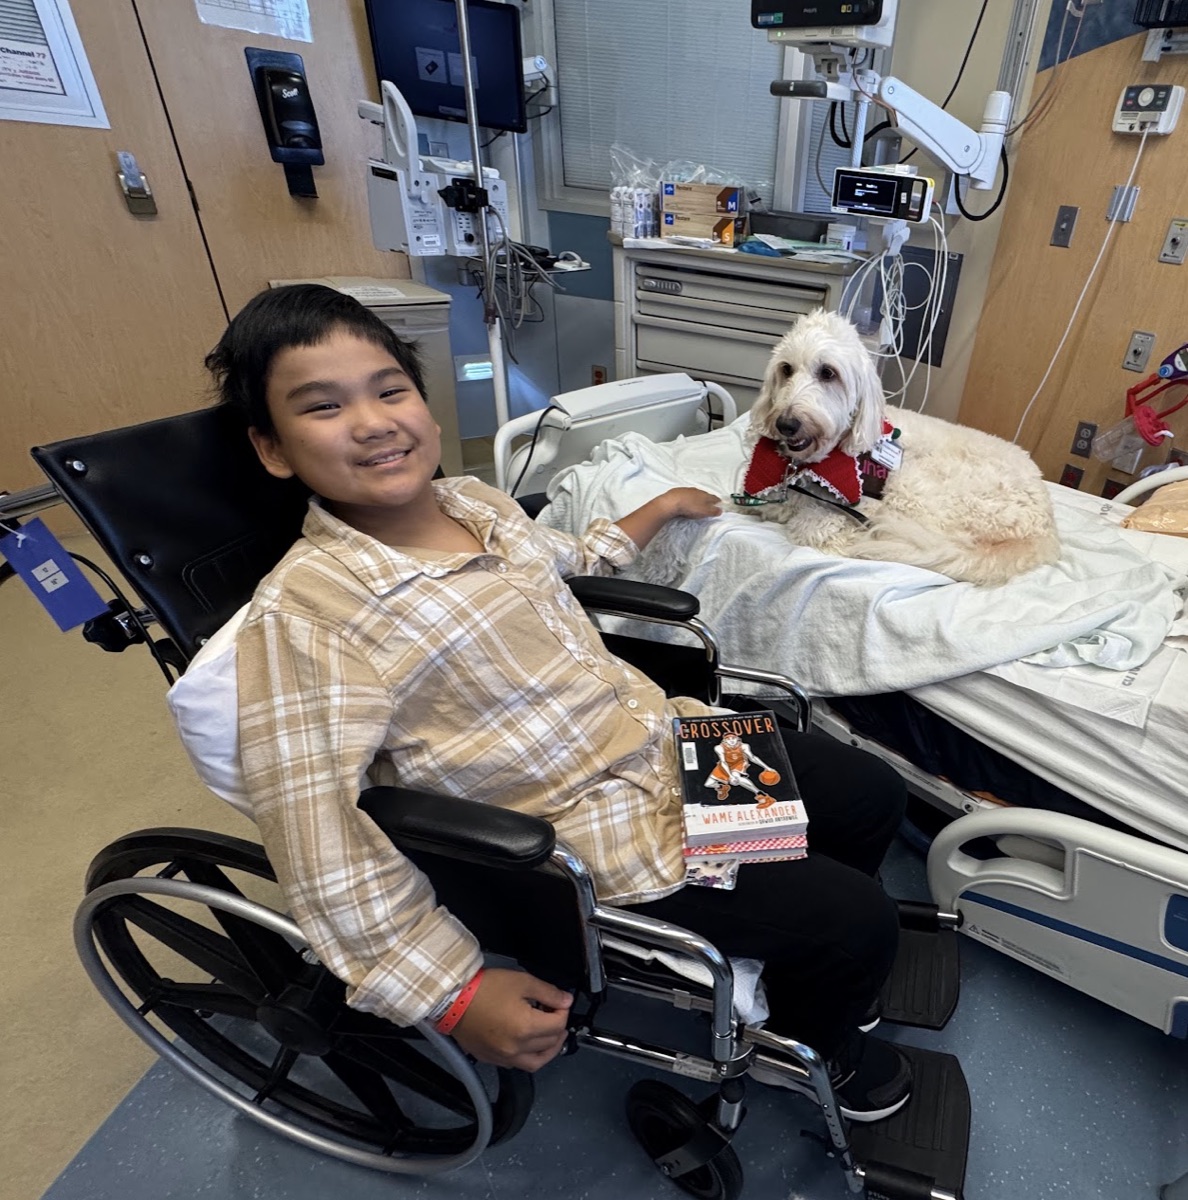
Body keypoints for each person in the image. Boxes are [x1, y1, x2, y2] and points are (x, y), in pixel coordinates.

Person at [207, 283, 910, 1123]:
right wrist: (453, 993)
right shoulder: (315, 611)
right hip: (585, 832)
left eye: (389, 389)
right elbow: (315, 834)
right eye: (323, 406)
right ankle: (808, 1051)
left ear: (424, 407)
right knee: (854, 921)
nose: (372, 421)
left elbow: (569, 556)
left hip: (660, 744)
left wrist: (662, 508)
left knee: (870, 798)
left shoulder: (477, 505)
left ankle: (815, 972)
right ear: (273, 448)